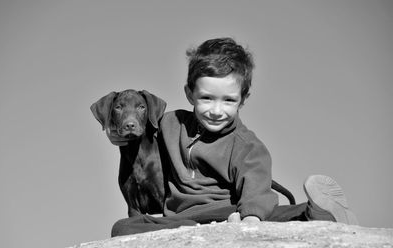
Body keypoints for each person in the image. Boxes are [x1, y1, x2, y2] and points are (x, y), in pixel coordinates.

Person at [111, 37, 358, 236]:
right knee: (123, 227)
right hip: (181, 220)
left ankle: (324, 212)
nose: (216, 110)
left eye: (228, 100)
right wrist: (116, 134)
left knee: (280, 215)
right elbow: (140, 132)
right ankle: (198, 231)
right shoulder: (170, 123)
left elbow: (256, 181)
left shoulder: (245, 144)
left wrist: (250, 217)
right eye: (207, 98)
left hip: (229, 212)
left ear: (243, 100)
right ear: (189, 94)